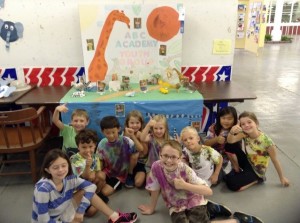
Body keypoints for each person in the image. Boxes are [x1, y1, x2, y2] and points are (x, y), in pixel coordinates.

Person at [138, 140, 264, 223]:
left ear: (180, 157)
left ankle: (237, 219)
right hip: (175, 205)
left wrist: (184, 185)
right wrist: (151, 208)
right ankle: (211, 208)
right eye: (165, 156)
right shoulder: (156, 166)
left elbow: (208, 191)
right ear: (160, 155)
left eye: (173, 157)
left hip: (193, 199)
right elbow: (154, 187)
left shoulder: (186, 170)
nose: (169, 160)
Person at [32, 149, 137, 223]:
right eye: (55, 167)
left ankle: (115, 217)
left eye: (64, 165)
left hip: (64, 211)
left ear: (68, 165)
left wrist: (80, 211)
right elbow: (43, 220)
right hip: (51, 220)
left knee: (85, 191)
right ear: (47, 170)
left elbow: (91, 187)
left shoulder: (69, 178)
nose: (60, 170)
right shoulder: (43, 189)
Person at [226, 111, 290, 191]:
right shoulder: (245, 133)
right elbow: (230, 141)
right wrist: (232, 132)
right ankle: (237, 170)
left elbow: (275, 160)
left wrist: (282, 178)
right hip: (248, 161)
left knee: (231, 183)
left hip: (256, 171)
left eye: (249, 122)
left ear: (256, 123)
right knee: (229, 145)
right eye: (243, 124)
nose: (246, 125)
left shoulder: (267, 142)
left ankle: (258, 179)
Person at [97, 115, 143, 196]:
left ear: (118, 129)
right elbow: (100, 159)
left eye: (113, 132)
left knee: (105, 192)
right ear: (102, 131)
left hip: (119, 175)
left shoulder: (126, 141)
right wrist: (100, 171)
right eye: (107, 133)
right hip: (107, 171)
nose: (111, 135)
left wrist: (132, 135)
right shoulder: (102, 143)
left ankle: (127, 177)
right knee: (98, 180)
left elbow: (140, 149)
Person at [70, 129, 109, 216]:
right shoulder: (75, 159)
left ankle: (96, 195)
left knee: (101, 175)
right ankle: (94, 199)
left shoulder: (95, 156)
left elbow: (98, 172)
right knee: (91, 212)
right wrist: (88, 166)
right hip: (78, 189)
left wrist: (94, 174)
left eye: (90, 146)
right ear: (78, 146)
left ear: (95, 145)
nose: (88, 150)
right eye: (84, 147)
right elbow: (84, 176)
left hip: (90, 185)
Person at [204, 106, 241, 178]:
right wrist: (216, 139)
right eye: (223, 118)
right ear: (219, 118)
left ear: (235, 119)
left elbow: (238, 148)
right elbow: (205, 143)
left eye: (229, 119)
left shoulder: (237, 130)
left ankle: (234, 169)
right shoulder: (213, 127)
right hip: (214, 158)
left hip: (229, 159)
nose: (226, 121)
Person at [123, 110, 148, 188]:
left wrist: (133, 136)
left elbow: (143, 151)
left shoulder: (142, 134)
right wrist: (128, 136)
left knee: (138, 183)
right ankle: (129, 174)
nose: (135, 125)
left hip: (140, 163)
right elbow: (124, 151)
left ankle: (132, 174)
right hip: (127, 163)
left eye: (137, 123)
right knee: (134, 155)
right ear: (127, 124)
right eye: (132, 123)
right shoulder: (124, 134)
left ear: (141, 123)